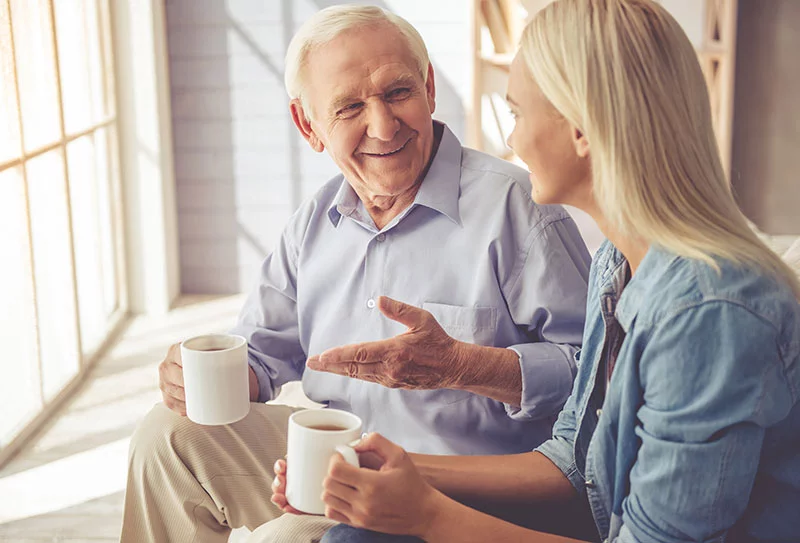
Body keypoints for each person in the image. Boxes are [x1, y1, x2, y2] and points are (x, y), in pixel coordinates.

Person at [270, 0, 800, 541]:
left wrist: (427, 513)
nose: (510, 141)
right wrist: (388, 469)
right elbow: (576, 460)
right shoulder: (619, 266)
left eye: (518, 114)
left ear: (580, 130)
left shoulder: (707, 312)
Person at [119, 5, 592, 542]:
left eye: (397, 93)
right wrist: (200, 377)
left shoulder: (521, 208)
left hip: (460, 491)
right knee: (169, 435)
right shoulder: (314, 223)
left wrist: (463, 366)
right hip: (329, 462)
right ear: (309, 125)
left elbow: (597, 378)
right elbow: (260, 354)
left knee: (282, 540)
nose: (384, 125)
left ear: (429, 87)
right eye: (348, 107)